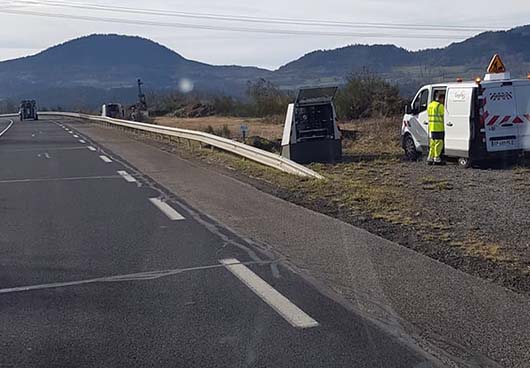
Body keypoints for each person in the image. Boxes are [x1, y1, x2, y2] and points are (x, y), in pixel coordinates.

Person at [427, 92, 446, 165]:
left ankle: (430, 158)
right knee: (439, 143)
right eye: (443, 99)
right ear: (441, 98)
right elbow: (444, 115)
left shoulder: (430, 105)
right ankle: (437, 158)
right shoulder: (440, 106)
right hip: (439, 128)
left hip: (432, 127)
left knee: (432, 144)